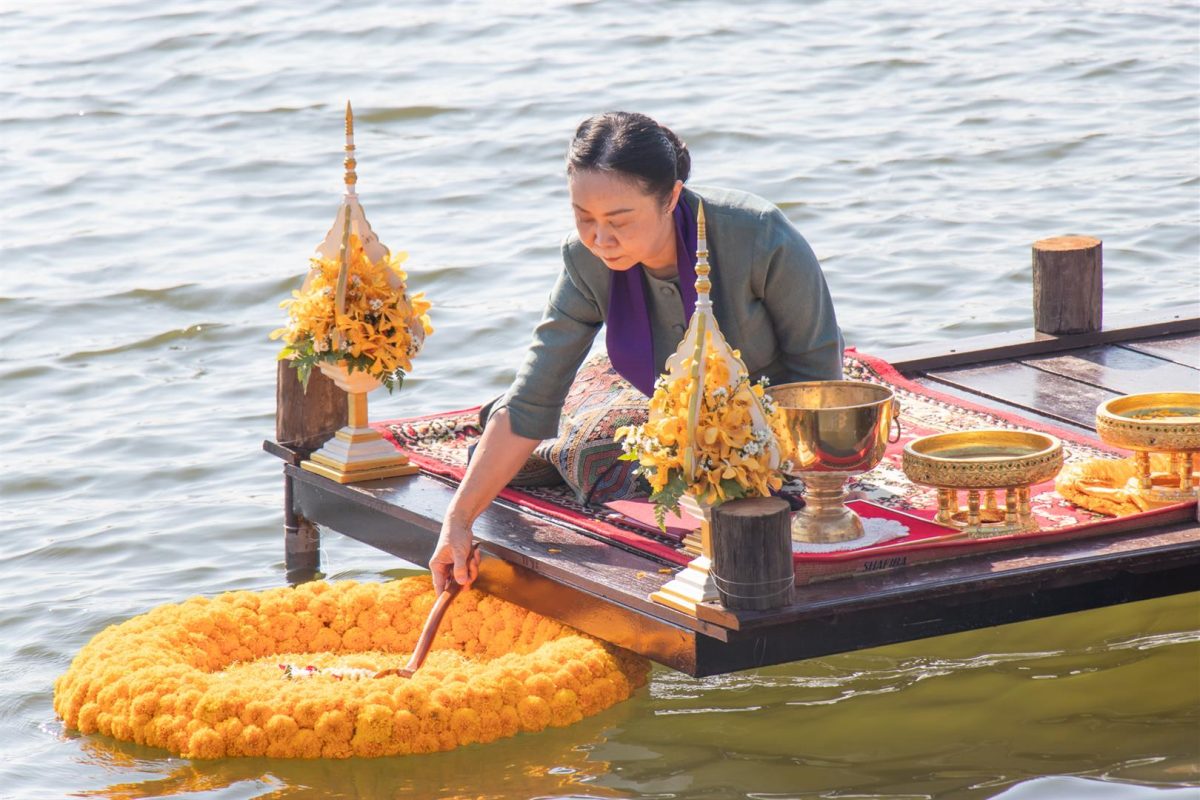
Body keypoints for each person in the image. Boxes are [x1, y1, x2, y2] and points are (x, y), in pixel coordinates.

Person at [428, 111, 844, 593]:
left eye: (619, 221)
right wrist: (456, 522)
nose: (601, 239)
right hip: (653, 396)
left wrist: (752, 455)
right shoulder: (584, 259)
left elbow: (819, 374)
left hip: (767, 419)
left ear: (671, 197)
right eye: (584, 218)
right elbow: (533, 397)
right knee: (574, 452)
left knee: (753, 501)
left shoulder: (759, 236)